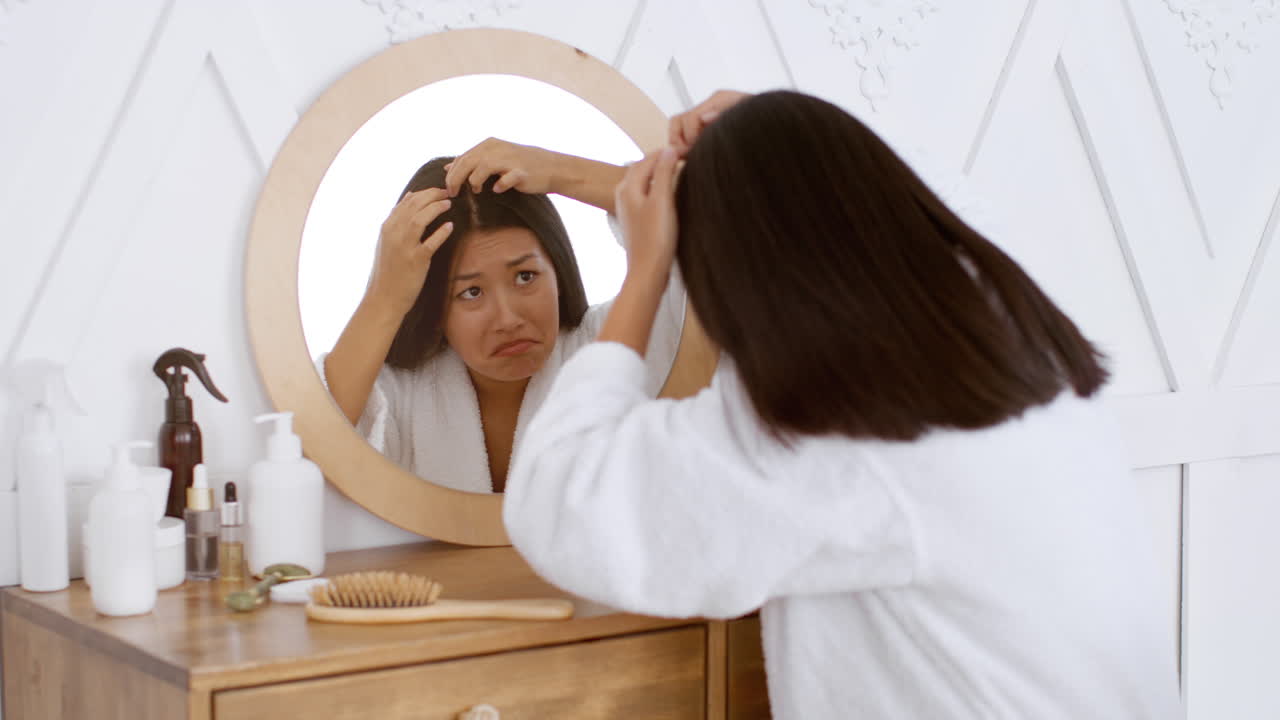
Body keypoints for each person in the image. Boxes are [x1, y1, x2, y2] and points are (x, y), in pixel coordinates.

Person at [503, 90, 1185, 718]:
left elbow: (564, 496)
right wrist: (770, 133)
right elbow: (902, 201)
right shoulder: (992, 318)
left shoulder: (837, 423)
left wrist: (646, 268)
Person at [322, 143, 683, 493]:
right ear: (434, 309)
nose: (508, 319)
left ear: (557, 271)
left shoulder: (616, 341)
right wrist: (384, 296)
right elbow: (316, 442)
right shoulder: (404, 393)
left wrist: (560, 172)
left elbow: (715, 227)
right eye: (471, 292)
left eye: (525, 277)